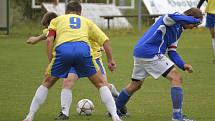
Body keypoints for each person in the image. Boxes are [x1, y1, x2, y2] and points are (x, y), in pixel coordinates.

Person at [23, 0, 122, 121]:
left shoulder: (57, 21)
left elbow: (48, 38)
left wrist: (51, 62)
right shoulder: (87, 22)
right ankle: (115, 117)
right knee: (99, 84)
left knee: (47, 83)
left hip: (67, 52)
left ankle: (30, 116)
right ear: (80, 13)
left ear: (65, 12)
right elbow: (105, 40)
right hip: (84, 53)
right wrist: (111, 60)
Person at [115, 8, 203, 121]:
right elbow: (173, 16)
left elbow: (172, 51)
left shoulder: (179, 30)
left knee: (135, 85)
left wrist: (183, 65)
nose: (195, 27)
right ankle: (177, 117)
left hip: (141, 52)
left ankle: (114, 110)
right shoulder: (173, 18)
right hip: (150, 52)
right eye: (195, 24)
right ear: (190, 18)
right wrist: (194, 20)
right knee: (176, 78)